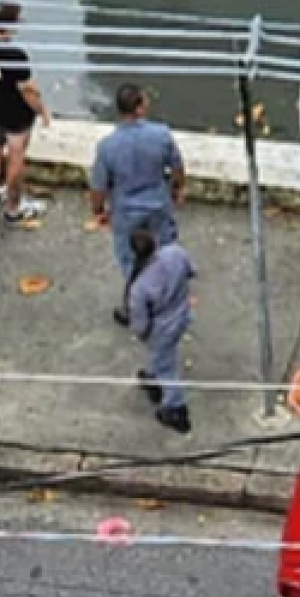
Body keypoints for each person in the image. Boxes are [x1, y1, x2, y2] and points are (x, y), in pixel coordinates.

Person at [89, 84, 185, 325]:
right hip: (158, 204)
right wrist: (176, 189)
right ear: (140, 107)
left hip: (125, 211)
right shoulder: (161, 135)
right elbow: (177, 167)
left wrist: (99, 211)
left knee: (131, 261)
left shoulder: (107, 147)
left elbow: (99, 186)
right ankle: (167, 300)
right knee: (163, 252)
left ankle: (134, 308)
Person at [0, 1, 51, 222]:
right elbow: (28, 91)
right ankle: (14, 209)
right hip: (16, 115)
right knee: (16, 159)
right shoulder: (15, 56)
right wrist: (42, 111)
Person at [126, 228, 196, 434]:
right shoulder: (175, 253)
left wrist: (141, 333)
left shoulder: (139, 287)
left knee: (166, 366)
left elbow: (140, 323)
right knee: (161, 358)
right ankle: (152, 375)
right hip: (182, 314)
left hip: (161, 328)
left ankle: (175, 407)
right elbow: (192, 270)